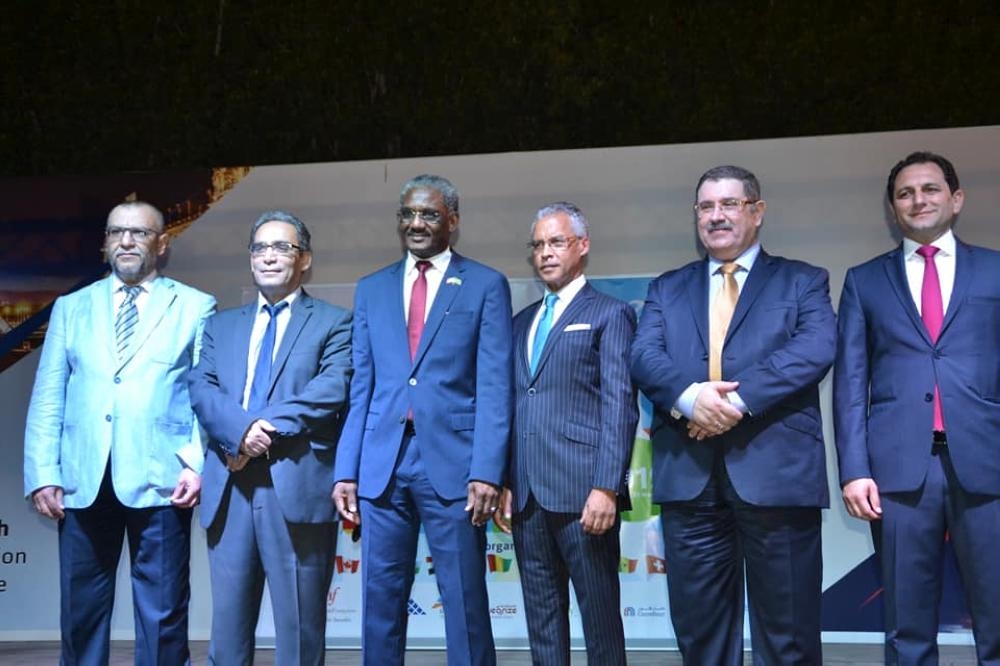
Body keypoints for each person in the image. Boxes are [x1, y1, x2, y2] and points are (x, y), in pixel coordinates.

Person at [630, 165, 836, 665]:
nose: (716, 216)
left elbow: (814, 348)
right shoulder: (666, 288)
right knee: (701, 636)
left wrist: (730, 405)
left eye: (729, 204)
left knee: (788, 636)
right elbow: (644, 356)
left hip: (777, 478)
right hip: (690, 480)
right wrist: (688, 398)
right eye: (706, 207)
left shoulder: (802, 281)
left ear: (757, 211)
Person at [23, 201, 216, 665]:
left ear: (162, 244)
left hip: (163, 477)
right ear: (105, 243)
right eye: (117, 232)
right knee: (82, 609)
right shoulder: (71, 308)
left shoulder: (194, 305)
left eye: (139, 233)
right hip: (82, 477)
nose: (127, 241)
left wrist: (195, 462)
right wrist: (42, 472)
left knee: (164, 608)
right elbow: (49, 396)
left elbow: (204, 394)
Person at [333, 174, 513, 666]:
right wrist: (346, 469)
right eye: (407, 214)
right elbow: (362, 388)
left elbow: (495, 387)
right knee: (379, 603)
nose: (416, 223)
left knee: (465, 602)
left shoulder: (485, 285)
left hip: (455, 466)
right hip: (381, 465)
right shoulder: (371, 289)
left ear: (452, 221)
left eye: (429, 214)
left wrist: (486, 471)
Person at [834, 151, 1000, 664]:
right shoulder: (865, 280)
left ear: (956, 199)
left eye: (930, 189)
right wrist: (855, 470)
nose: (918, 200)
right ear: (892, 207)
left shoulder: (995, 269)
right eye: (905, 193)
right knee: (906, 625)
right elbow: (850, 382)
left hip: (989, 463)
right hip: (899, 472)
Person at [188, 210, 352, 665]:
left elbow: (331, 388)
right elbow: (202, 388)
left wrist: (260, 430)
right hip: (230, 485)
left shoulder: (335, 323)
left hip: (296, 487)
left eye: (282, 247)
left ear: (305, 260)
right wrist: (239, 434)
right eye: (260, 247)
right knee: (227, 630)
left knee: (300, 629)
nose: (269, 257)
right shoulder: (222, 324)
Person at [494, 202, 637, 665]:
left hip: (584, 495)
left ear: (582, 246)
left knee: (599, 621)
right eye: (537, 245)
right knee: (542, 622)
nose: (545, 253)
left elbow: (620, 406)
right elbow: (513, 407)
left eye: (556, 242)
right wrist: (505, 482)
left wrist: (606, 487)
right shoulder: (521, 323)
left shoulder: (610, 314)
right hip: (528, 497)